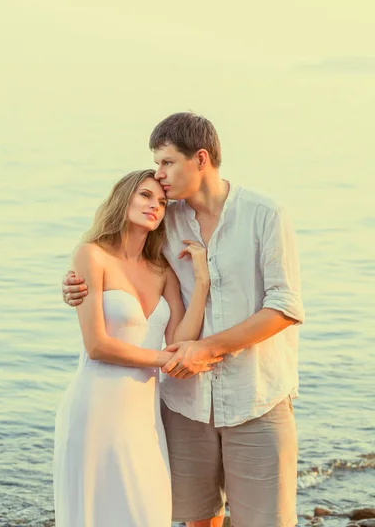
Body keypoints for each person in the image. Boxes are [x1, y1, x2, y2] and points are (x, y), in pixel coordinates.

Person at [63, 113, 305, 527]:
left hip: (256, 396)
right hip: (184, 405)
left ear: (201, 159)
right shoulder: (164, 219)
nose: (160, 177)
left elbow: (284, 307)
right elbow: (121, 269)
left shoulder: (265, 214)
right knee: (196, 519)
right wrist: (75, 288)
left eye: (167, 163)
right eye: (155, 165)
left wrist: (206, 349)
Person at [54, 168, 217, 527]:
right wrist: (166, 360)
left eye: (161, 202)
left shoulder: (162, 271)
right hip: (94, 410)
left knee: (148, 514)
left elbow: (178, 340)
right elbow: (97, 345)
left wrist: (202, 281)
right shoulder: (91, 256)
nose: (154, 205)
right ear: (123, 197)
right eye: (145, 195)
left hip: (143, 419)